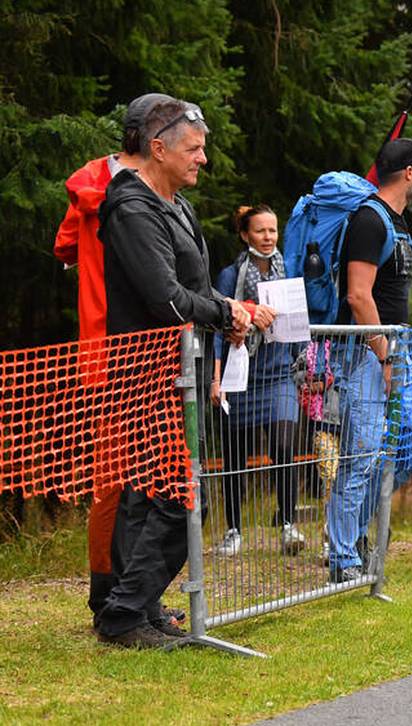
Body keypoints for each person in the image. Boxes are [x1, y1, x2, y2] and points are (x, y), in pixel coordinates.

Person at [96, 99, 255, 648]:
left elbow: (197, 286)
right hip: (142, 373)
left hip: (179, 373)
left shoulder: (178, 206)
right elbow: (165, 298)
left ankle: (137, 607)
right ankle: (123, 614)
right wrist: (223, 313)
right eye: (194, 149)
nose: (203, 159)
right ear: (157, 148)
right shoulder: (131, 209)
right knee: (180, 497)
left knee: (155, 495)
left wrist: (231, 312)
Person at [54, 91, 177, 630]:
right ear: (157, 137)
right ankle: (113, 596)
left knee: (122, 475)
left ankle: (125, 592)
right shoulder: (142, 191)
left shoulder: (90, 178)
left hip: (101, 344)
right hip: (130, 344)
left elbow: (63, 246)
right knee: (133, 476)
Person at [327, 138, 412, 583]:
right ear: (409, 173)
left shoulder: (396, 221)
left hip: (395, 346)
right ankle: (343, 556)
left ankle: (351, 535)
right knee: (364, 453)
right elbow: (357, 294)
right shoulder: (369, 220)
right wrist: (384, 354)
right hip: (369, 351)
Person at [209, 204, 305, 556]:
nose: (268, 238)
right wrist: (215, 379)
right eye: (261, 231)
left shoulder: (290, 272)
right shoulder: (229, 276)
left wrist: (305, 363)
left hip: (279, 373)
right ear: (245, 234)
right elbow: (217, 331)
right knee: (235, 456)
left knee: (283, 445)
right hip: (241, 375)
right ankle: (233, 529)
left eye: (273, 231)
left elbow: (302, 324)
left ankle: (288, 524)